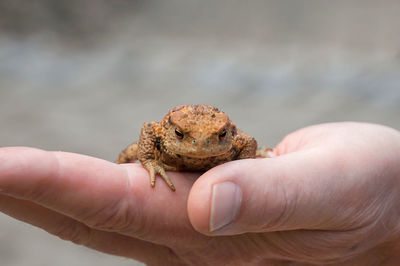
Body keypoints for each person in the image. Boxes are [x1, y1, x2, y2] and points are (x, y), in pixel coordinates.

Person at [0, 122, 400, 265]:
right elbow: (149, 129)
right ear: (172, 134)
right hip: (167, 162)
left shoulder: (233, 140)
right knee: (123, 163)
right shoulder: (161, 133)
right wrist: (151, 161)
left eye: (217, 139)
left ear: (226, 134)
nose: (203, 145)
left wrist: (249, 167)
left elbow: (248, 142)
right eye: (186, 138)